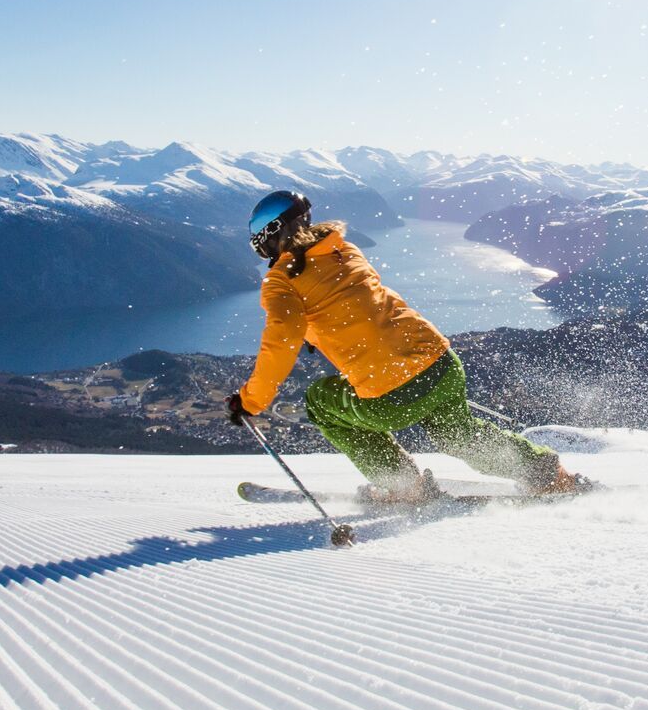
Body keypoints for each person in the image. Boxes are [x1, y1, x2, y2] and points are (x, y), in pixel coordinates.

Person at [224, 189, 589, 502]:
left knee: (321, 401)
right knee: (458, 434)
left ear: (271, 234)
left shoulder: (280, 281)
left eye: (258, 231)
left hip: (390, 395)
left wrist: (251, 400)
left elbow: (280, 342)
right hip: (441, 364)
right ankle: (548, 475)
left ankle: (403, 486)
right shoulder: (344, 250)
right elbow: (359, 305)